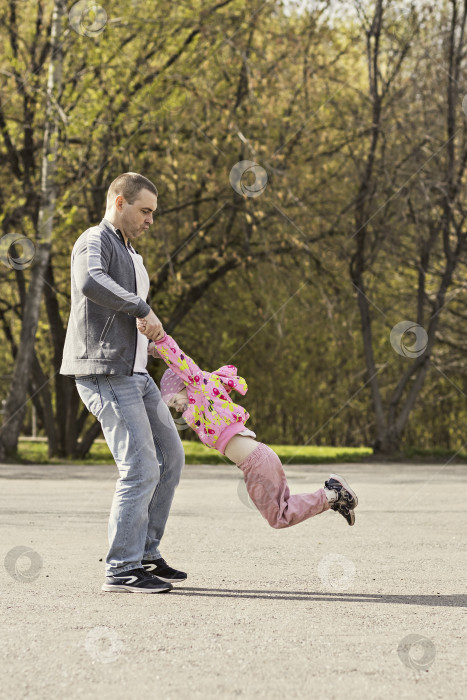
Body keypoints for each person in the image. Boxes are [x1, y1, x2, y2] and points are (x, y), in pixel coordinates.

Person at [60, 172, 186, 594]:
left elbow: (121, 315)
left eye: (153, 212)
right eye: (145, 210)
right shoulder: (92, 241)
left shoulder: (132, 252)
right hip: (105, 373)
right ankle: (121, 569)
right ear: (119, 202)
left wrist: (148, 344)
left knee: (171, 457)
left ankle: (146, 553)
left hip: (135, 372)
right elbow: (90, 282)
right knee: (140, 468)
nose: (151, 219)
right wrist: (140, 308)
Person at [137, 320, 359, 529]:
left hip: (257, 463)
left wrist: (160, 342)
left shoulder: (198, 386)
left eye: (175, 401)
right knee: (282, 512)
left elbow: (180, 360)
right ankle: (333, 498)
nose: (176, 408)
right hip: (257, 462)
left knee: (279, 517)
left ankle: (333, 495)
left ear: (186, 385)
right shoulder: (199, 406)